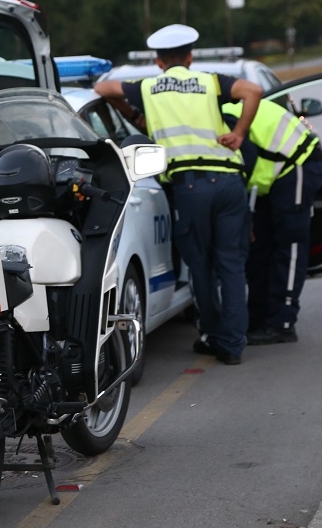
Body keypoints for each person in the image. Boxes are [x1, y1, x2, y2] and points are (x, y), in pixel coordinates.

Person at [94, 24, 262, 365]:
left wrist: (134, 115)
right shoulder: (210, 81)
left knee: (199, 266)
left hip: (191, 187)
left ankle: (213, 335)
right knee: (230, 264)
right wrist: (239, 133)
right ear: (190, 57)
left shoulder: (148, 86)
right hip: (229, 182)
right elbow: (253, 90)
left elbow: (102, 88)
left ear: (158, 62)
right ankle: (232, 345)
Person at [221, 98, 322, 345]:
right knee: (260, 249)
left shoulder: (224, 117)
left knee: (289, 244)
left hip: (296, 164)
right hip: (270, 179)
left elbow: (245, 159)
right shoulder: (220, 113)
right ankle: (258, 320)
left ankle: (282, 324)